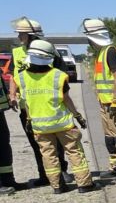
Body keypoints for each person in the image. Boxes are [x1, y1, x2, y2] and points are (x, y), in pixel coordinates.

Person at [12, 40, 95, 194]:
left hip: (40, 127)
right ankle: (84, 184)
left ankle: (58, 187)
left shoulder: (22, 77)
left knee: (48, 156)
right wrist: (77, 115)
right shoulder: (58, 76)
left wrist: (29, 120)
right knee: (74, 151)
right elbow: (66, 99)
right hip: (63, 124)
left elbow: (27, 102)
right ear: (49, 57)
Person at [6, 17, 71, 188]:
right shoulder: (17, 52)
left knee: (56, 141)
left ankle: (61, 172)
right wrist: (12, 95)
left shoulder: (50, 50)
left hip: (50, 105)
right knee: (37, 143)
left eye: (22, 33)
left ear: (31, 35)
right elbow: (14, 76)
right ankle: (44, 174)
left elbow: (62, 75)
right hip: (28, 107)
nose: (19, 36)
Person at [81, 18, 116, 181]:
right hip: (105, 103)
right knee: (110, 137)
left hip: (115, 103)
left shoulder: (110, 52)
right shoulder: (101, 53)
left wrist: (115, 100)